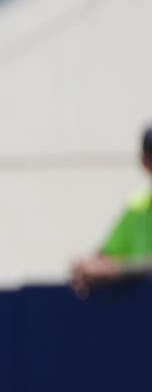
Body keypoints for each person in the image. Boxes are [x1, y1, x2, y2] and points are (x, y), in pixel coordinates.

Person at [71, 125, 152, 298]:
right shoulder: (137, 207)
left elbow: (114, 267)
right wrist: (88, 268)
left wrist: (117, 269)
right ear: (144, 162)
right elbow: (105, 257)